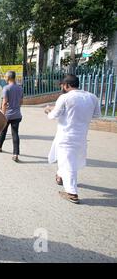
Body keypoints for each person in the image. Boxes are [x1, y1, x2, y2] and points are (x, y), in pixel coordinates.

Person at [45, 75, 101, 204]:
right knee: (67, 160)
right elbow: (97, 115)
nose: (62, 88)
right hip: (81, 136)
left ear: (67, 85)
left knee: (68, 164)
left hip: (66, 136)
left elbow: (54, 115)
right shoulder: (92, 97)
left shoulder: (65, 97)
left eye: (62, 86)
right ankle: (60, 176)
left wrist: (48, 111)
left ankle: (72, 193)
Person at [0, 71, 24, 162]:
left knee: (3, 131)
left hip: (8, 115)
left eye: (5, 76)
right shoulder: (20, 88)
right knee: (15, 133)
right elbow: (21, 102)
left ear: (9, 78)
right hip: (17, 115)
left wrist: (2, 115)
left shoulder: (6, 88)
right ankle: (15, 154)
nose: (4, 78)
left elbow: (4, 103)